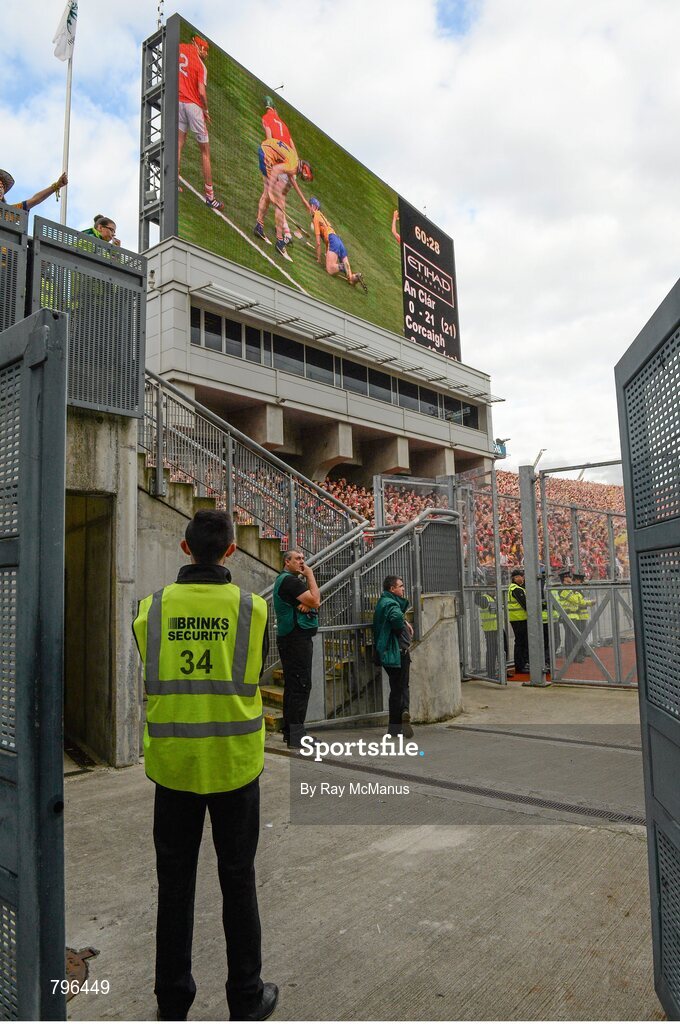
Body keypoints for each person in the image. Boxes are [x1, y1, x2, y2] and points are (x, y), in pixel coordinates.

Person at [132, 510, 278, 1022]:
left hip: (173, 768)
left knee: (174, 885)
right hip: (236, 765)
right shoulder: (252, 609)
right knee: (238, 878)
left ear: (184, 547)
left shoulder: (149, 609)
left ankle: (172, 1003)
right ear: (231, 552)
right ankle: (246, 996)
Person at [273, 549, 320, 748]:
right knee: (301, 685)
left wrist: (309, 603)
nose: (302, 562)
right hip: (295, 638)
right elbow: (316, 599)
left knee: (293, 686)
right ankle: (297, 735)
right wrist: (310, 575)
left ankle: (291, 733)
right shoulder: (291, 581)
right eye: (297, 559)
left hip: (291, 637)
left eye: (303, 559)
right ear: (287, 562)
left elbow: (313, 601)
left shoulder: (287, 581)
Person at [178, 35, 224, 210]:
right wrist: (205, 110)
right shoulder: (200, 65)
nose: (206, 54)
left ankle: (174, 180)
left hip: (178, 102)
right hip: (194, 107)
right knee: (205, 151)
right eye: (205, 50)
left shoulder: (179, 48)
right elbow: (202, 92)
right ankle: (210, 196)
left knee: (179, 143)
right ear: (199, 46)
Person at [255, 137, 313, 260]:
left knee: (277, 200)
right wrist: (271, 191)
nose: (305, 179)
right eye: (306, 177)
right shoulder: (293, 165)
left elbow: (291, 177)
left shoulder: (295, 162)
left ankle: (259, 227)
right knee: (276, 200)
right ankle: (279, 241)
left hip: (265, 149)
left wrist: (303, 199)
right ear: (304, 169)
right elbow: (276, 169)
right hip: (267, 155)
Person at [372, 575, 414, 738]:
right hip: (397, 652)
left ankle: (394, 728)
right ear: (392, 589)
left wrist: (403, 621)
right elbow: (395, 618)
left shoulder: (383, 602)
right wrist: (400, 626)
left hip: (388, 653)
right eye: (401, 586)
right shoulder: (391, 603)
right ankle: (404, 711)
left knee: (395, 688)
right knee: (402, 686)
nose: (403, 588)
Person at [309, 197, 367, 291]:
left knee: (330, 269)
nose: (309, 209)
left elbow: (318, 242)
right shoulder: (322, 217)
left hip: (333, 241)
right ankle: (356, 276)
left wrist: (318, 258)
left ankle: (343, 266)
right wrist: (327, 253)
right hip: (339, 241)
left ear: (313, 207)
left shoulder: (316, 217)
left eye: (309, 206)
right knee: (350, 280)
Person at [0, 169, 68, 211]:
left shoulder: (7, 213)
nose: (0, 188)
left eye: (2, 186)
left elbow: (35, 200)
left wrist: (56, 186)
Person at [507, 568, 528, 674]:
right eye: (520, 576)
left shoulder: (518, 588)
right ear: (515, 578)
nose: (522, 578)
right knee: (520, 642)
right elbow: (525, 604)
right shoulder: (516, 589)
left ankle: (523, 664)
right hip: (518, 619)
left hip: (519, 618)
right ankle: (520, 666)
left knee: (522, 642)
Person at [557, 569, 580, 663]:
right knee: (569, 637)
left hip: (572, 615)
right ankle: (570, 655)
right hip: (567, 616)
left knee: (572, 636)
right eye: (567, 577)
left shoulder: (569, 589)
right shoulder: (564, 590)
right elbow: (576, 600)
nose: (570, 578)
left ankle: (573, 655)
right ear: (564, 579)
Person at [572, 571, 594, 663]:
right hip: (578, 616)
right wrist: (590, 603)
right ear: (576, 580)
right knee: (578, 636)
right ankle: (579, 653)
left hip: (582, 615)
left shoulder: (579, 590)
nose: (582, 582)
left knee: (583, 635)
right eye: (580, 580)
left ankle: (583, 650)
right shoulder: (575, 590)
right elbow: (580, 602)